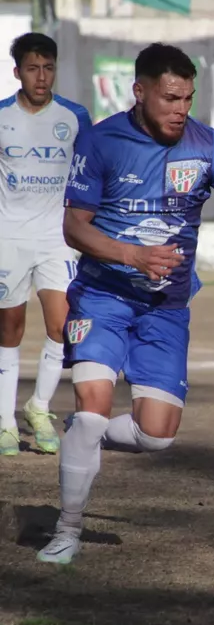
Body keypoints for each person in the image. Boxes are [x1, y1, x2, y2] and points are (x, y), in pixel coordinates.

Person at [36, 43, 214, 565]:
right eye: (170, 97)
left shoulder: (208, 146)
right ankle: (67, 530)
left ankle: (87, 439)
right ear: (141, 91)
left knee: (157, 438)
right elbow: (74, 227)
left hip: (166, 309)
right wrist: (133, 255)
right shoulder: (101, 142)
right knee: (92, 412)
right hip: (102, 298)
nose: (180, 109)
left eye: (188, 98)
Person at [0, 32, 91, 457]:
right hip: (8, 238)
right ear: (17, 72)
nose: (42, 76)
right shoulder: (0, 117)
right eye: (33, 68)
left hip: (57, 238)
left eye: (49, 67)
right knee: (9, 330)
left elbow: (91, 172)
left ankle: (39, 407)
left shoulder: (75, 117)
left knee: (63, 327)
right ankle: (5, 424)